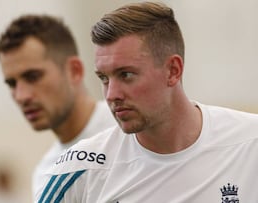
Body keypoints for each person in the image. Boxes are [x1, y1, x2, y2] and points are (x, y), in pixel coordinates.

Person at [36, 2, 258, 203]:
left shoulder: (250, 143)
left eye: (126, 75)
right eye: (104, 78)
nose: (111, 94)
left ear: (173, 70)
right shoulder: (80, 170)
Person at [0, 14, 116, 199]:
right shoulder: (46, 174)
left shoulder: (129, 134)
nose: (21, 96)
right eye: (12, 83)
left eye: (33, 76)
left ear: (74, 70)